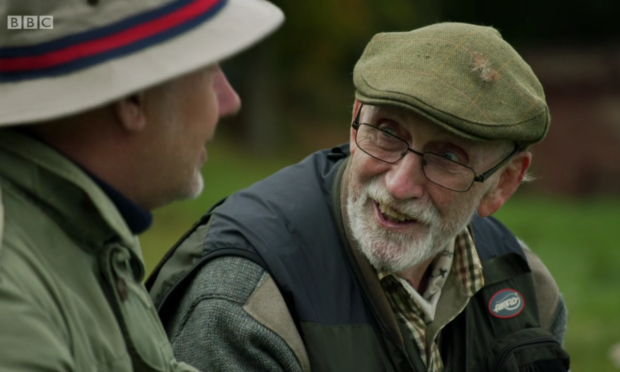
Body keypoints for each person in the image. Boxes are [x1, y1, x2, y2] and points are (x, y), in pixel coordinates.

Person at [148, 23, 570, 372]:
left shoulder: (528, 287)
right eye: (387, 133)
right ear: (354, 124)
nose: (400, 185)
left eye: (447, 156)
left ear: (503, 184)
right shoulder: (244, 303)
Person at [0, 0, 283, 370]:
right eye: (207, 70)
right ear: (132, 99)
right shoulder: (13, 299)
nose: (229, 101)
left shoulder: (92, 232)